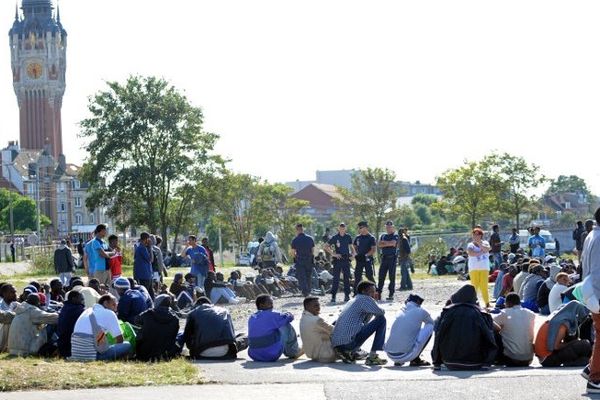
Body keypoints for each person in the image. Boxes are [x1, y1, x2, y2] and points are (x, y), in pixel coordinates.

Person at [432, 284, 497, 370]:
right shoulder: (480, 313)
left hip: (449, 361)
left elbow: (438, 337)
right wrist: (487, 362)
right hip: (475, 362)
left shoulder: (448, 312)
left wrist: (436, 361)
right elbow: (490, 339)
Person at [331, 281, 387, 366]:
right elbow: (380, 312)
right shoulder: (365, 299)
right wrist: (374, 303)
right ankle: (373, 356)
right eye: (371, 291)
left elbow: (364, 322)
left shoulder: (352, 300)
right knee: (381, 319)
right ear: (364, 292)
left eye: (374, 291)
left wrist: (372, 306)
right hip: (348, 344)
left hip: (337, 345)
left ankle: (348, 353)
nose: (374, 294)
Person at [71, 294, 132, 361]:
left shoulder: (87, 311)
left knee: (106, 343)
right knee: (127, 345)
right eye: (113, 305)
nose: (116, 308)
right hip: (93, 357)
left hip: (76, 355)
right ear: (105, 303)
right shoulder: (109, 313)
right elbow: (120, 339)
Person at [184, 297, 248, 360]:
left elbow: (188, 341)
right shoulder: (224, 311)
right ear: (211, 304)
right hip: (226, 352)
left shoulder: (192, 313)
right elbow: (232, 337)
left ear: (196, 305)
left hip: (200, 353)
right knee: (243, 336)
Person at [534, 300, 591, 368]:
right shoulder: (562, 324)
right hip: (548, 359)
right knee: (585, 344)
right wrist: (574, 342)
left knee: (581, 346)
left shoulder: (557, 317)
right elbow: (556, 346)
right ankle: (572, 362)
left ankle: (580, 360)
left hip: (546, 357)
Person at [248, 294, 301, 362]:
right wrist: (288, 313)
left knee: (274, 327)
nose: (272, 306)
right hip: (271, 355)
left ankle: (288, 349)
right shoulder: (272, 314)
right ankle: (293, 351)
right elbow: (290, 317)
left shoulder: (252, 317)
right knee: (285, 325)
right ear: (261, 305)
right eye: (270, 303)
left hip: (254, 355)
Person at [384, 294, 433, 367]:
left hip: (390, 355)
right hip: (405, 355)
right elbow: (432, 323)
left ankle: (399, 361)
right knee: (430, 326)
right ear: (419, 302)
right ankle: (415, 360)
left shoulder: (399, 311)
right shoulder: (421, 311)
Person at [581, 207, 600, 393]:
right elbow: (598, 272)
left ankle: (592, 369)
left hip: (591, 292)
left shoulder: (591, 235)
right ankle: (596, 377)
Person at [492, 293, 535, 366]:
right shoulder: (531, 314)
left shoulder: (505, 313)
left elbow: (490, 322)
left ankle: (494, 358)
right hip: (528, 358)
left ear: (508, 303)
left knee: (495, 332)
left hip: (511, 358)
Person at [135, 294, 181, 361]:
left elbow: (136, 320)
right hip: (166, 355)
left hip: (145, 354)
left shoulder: (148, 313)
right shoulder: (175, 318)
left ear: (157, 302)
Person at [299, 296, 336, 363]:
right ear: (307, 307)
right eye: (316, 306)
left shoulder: (303, 318)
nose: (318, 308)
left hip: (312, 354)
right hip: (325, 355)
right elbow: (335, 330)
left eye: (319, 305)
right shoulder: (317, 320)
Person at [326, 223, 354, 303]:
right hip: (337, 260)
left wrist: (353, 254)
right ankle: (333, 296)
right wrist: (333, 254)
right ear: (338, 228)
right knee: (336, 279)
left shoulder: (348, 237)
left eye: (343, 227)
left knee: (346, 278)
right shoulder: (335, 237)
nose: (342, 229)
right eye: (340, 227)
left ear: (345, 228)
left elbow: (351, 247)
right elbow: (326, 246)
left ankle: (347, 296)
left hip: (346, 259)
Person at [466, 228, 491, 308]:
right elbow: (471, 253)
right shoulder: (470, 245)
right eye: (474, 234)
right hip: (474, 269)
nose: (476, 236)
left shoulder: (485, 243)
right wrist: (481, 252)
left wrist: (479, 243)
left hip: (484, 268)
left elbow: (487, 249)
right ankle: (473, 302)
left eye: (478, 234)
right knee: (474, 287)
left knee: (484, 286)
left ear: (481, 235)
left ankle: (487, 303)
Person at [57, 291, 85, 358]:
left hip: (62, 344)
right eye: (81, 299)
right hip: (71, 345)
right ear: (74, 299)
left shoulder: (65, 308)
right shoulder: (77, 309)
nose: (82, 301)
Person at [291, 224, 315, 297]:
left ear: (297, 230)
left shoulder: (295, 240)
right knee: (308, 276)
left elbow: (293, 252)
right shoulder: (310, 238)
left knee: (302, 276)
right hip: (309, 259)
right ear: (302, 229)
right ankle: (308, 291)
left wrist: (296, 257)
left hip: (300, 260)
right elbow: (313, 250)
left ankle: (305, 292)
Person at [352, 222, 377, 294]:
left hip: (367, 259)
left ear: (366, 227)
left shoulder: (371, 238)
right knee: (357, 276)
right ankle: (356, 293)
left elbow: (373, 249)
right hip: (359, 260)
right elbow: (354, 247)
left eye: (361, 228)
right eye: (359, 228)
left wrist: (365, 255)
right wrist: (356, 254)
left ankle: (375, 292)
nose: (360, 229)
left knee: (369, 276)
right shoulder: (357, 237)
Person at [377, 221, 399, 301]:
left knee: (391, 277)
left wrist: (384, 243)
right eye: (387, 227)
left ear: (393, 227)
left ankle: (391, 294)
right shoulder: (383, 235)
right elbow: (379, 244)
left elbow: (393, 243)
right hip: (384, 258)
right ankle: (379, 293)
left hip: (392, 258)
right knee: (381, 276)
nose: (388, 228)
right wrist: (387, 243)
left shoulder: (395, 235)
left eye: (390, 227)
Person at [134, 232, 154, 299]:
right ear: (146, 239)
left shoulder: (141, 247)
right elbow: (151, 259)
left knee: (151, 293)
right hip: (144, 275)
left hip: (147, 275)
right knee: (146, 294)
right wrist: (150, 247)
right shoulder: (142, 248)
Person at [0, 284, 18, 352]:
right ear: (4, 294)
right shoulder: (0, 306)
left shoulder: (16, 304)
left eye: (15, 292)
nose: (15, 294)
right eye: (12, 292)